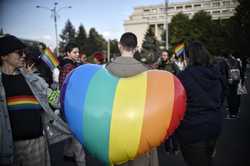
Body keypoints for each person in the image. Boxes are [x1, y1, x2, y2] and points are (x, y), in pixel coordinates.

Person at [0, 34, 71, 166]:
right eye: (19, 52)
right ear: (3, 56)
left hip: (36, 143)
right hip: (7, 149)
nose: (23, 56)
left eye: (24, 52)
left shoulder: (34, 79)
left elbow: (56, 100)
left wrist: (66, 90)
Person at [106, 32, 159, 166]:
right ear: (136, 48)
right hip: (140, 128)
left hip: (115, 128)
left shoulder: (106, 70)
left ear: (119, 46)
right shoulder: (145, 71)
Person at [176, 41, 226, 166]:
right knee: (207, 159)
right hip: (214, 126)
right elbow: (222, 97)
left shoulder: (183, 77)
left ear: (188, 57)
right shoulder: (216, 73)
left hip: (193, 130)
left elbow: (177, 104)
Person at [58, 42, 86, 166]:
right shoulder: (69, 67)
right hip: (72, 104)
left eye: (78, 52)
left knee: (71, 131)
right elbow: (68, 86)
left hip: (68, 104)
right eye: (74, 52)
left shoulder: (70, 65)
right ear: (68, 53)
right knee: (77, 135)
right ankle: (81, 161)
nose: (77, 54)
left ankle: (68, 154)